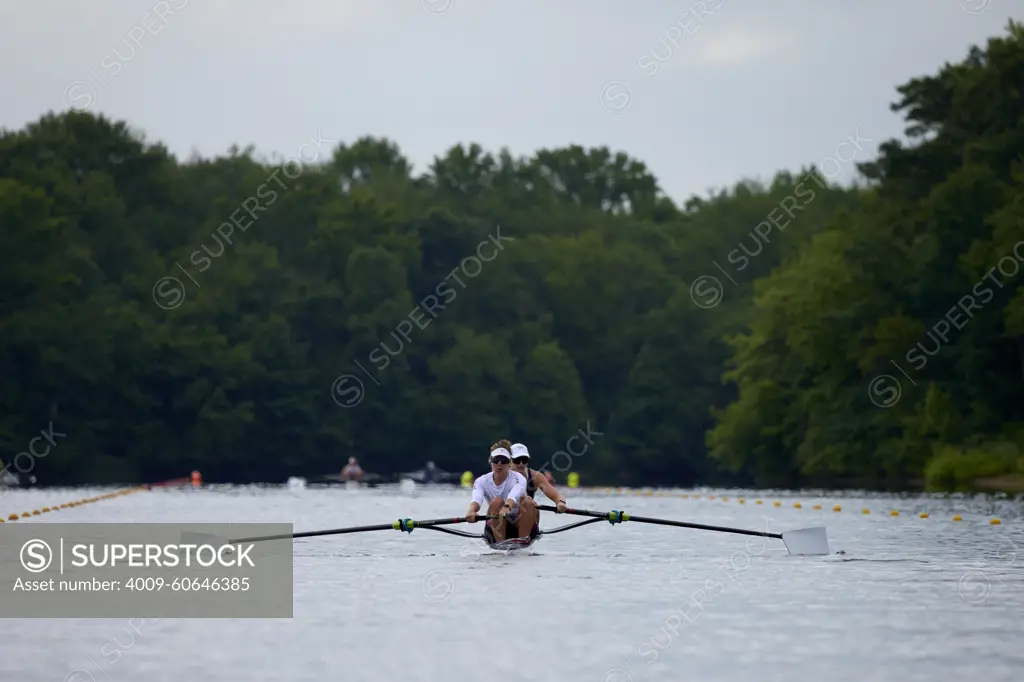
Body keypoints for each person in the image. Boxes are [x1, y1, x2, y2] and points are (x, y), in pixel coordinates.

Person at [465, 440, 538, 545]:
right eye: (496, 460)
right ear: (491, 462)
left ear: (509, 463)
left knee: (528, 502)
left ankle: (523, 540)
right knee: (497, 502)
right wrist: (471, 511)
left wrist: (507, 507)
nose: (499, 464)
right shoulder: (481, 481)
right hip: (497, 524)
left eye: (503, 460)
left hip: (520, 522)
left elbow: (514, 496)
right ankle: (501, 544)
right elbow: (476, 500)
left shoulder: (519, 478)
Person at [509, 443, 567, 519]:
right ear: (509, 460)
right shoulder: (502, 475)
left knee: (531, 504)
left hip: (525, 518)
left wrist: (561, 503)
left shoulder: (535, 477)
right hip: (505, 517)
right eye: (517, 460)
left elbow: (556, 495)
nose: (521, 464)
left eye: (524, 460)